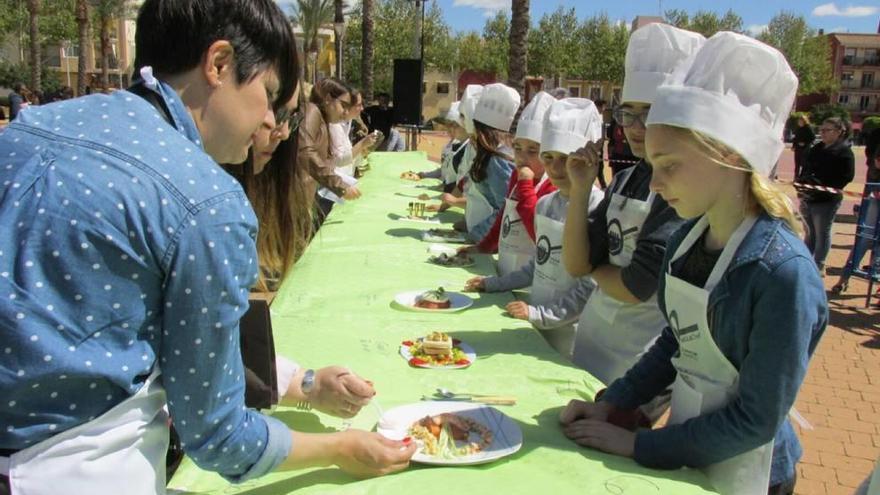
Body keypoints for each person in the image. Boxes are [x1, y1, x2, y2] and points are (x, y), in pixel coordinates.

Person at [0, 1, 414, 492]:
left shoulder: (30, 127)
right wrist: (341, 449)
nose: (268, 119)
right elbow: (218, 432)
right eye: (268, 94)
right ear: (219, 65)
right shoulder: (206, 199)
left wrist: (303, 384)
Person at [560, 32, 827, 495]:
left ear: (726, 156)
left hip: (752, 472)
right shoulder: (687, 238)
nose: (656, 183)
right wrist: (613, 403)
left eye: (670, 165)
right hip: (689, 450)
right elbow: (676, 342)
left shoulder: (782, 274)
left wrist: (639, 446)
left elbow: (755, 420)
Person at [562, 23, 704, 406]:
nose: (638, 128)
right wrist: (579, 190)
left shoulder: (677, 193)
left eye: (651, 114)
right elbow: (574, 263)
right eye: (630, 113)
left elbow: (636, 287)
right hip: (592, 341)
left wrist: (593, 267)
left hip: (638, 360)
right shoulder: (625, 178)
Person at [465, 97, 605, 358]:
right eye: (549, 157)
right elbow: (538, 264)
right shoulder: (546, 204)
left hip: (572, 331)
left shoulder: (598, 207)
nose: (555, 167)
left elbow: (590, 286)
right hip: (536, 319)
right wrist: (494, 283)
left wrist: (542, 314)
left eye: (566, 159)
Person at [464, 91, 557, 276]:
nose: (522, 157)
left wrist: (525, 186)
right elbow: (503, 218)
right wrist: (484, 247)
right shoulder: (516, 175)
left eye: (532, 151)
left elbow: (537, 232)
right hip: (507, 269)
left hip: (531, 278)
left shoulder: (552, 187)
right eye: (517, 148)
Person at [297, 78, 363, 230]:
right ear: (328, 99)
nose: (345, 112)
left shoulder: (321, 118)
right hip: (296, 199)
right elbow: (305, 152)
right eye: (343, 105)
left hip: (305, 198)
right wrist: (339, 185)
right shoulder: (312, 111)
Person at [796, 117, 855, 276]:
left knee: (822, 232)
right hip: (808, 196)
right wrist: (802, 184)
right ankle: (806, 260)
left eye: (826, 130)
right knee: (809, 232)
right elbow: (806, 167)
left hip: (826, 200)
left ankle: (818, 264)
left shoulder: (844, 152)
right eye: (821, 130)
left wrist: (823, 185)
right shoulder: (816, 148)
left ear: (838, 132)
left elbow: (846, 176)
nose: (822, 133)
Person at [463, 83, 520, 243]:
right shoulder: (494, 155)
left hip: (487, 242)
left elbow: (504, 209)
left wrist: (477, 235)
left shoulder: (497, 161)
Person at [792, 115, 815, 179]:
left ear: (804, 121)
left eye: (801, 120)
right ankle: (796, 177)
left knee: (804, 163)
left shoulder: (808, 128)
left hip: (805, 148)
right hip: (797, 148)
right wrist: (794, 145)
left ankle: (802, 177)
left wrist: (805, 143)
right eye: (799, 120)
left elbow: (813, 137)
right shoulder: (798, 128)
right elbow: (795, 138)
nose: (799, 121)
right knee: (797, 163)